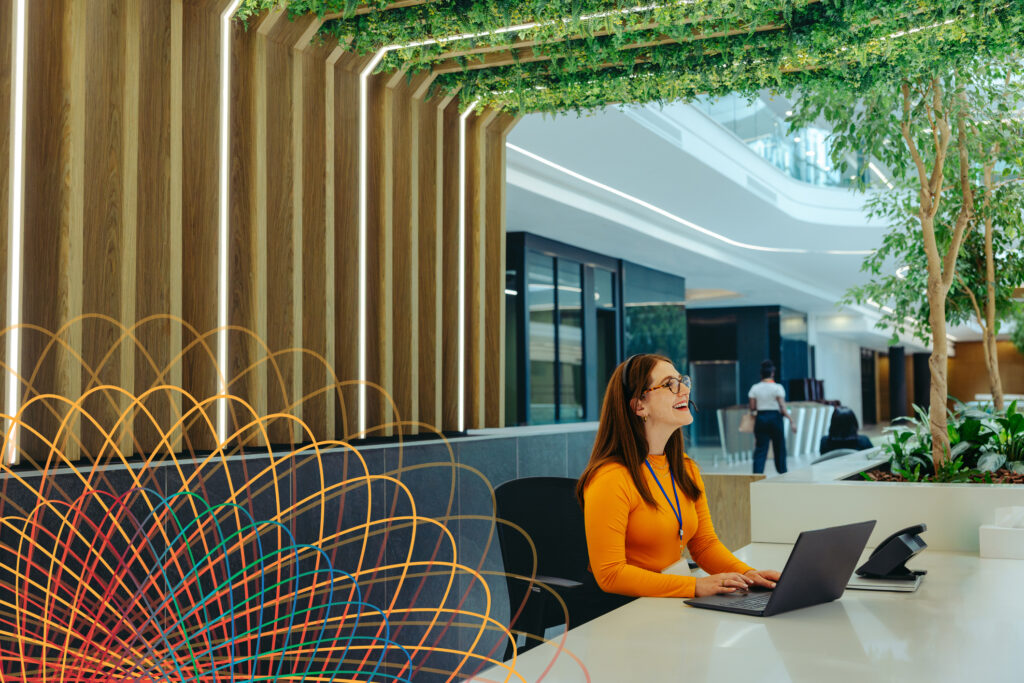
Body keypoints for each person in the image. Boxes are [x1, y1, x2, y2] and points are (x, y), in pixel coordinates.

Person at [575, 353, 780, 601]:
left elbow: (704, 544)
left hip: (665, 599)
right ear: (639, 406)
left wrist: (749, 575)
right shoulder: (610, 478)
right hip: (621, 607)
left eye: (682, 381)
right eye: (669, 384)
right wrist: (695, 586)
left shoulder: (685, 468)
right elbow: (610, 574)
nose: (684, 389)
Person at [748, 359, 796, 475]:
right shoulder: (777, 388)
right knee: (779, 448)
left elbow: (752, 407)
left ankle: (757, 475)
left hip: (761, 418)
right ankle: (782, 473)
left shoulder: (755, 388)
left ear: (761, 374)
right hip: (775, 418)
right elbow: (782, 407)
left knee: (760, 448)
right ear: (772, 373)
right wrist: (791, 421)